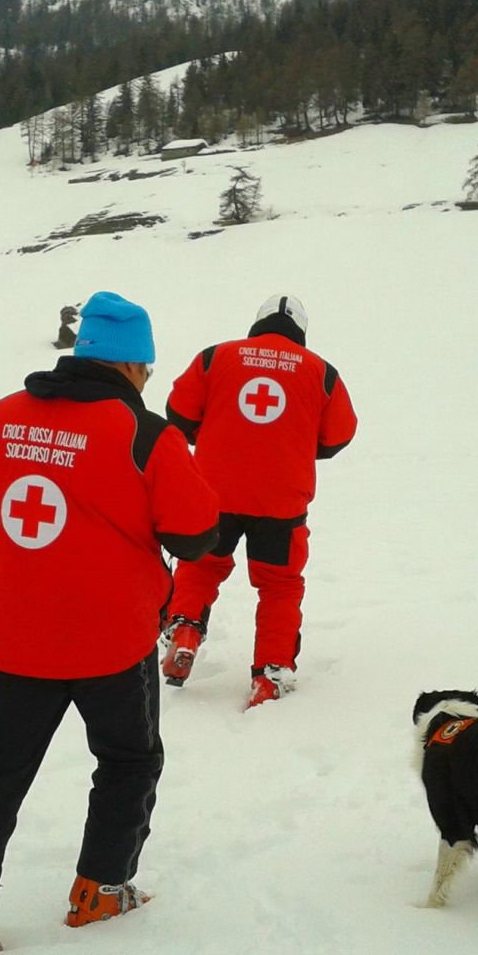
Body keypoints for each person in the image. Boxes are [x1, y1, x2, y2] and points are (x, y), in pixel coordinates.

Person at [0, 290, 218, 955]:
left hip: (11, 640)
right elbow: (197, 533)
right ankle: (100, 890)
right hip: (111, 643)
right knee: (128, 759)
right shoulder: (147, 435)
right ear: (133, 366)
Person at [160, 294, 358, 709]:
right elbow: (339, 434)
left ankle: (184, 632)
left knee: (202, 565)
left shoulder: (216, 357)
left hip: (215, 493)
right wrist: (298, 447)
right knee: (279, 585)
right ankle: (270, 674)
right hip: (282, 503)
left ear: (257, 324)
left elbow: (178, 413)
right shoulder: (321, 372)